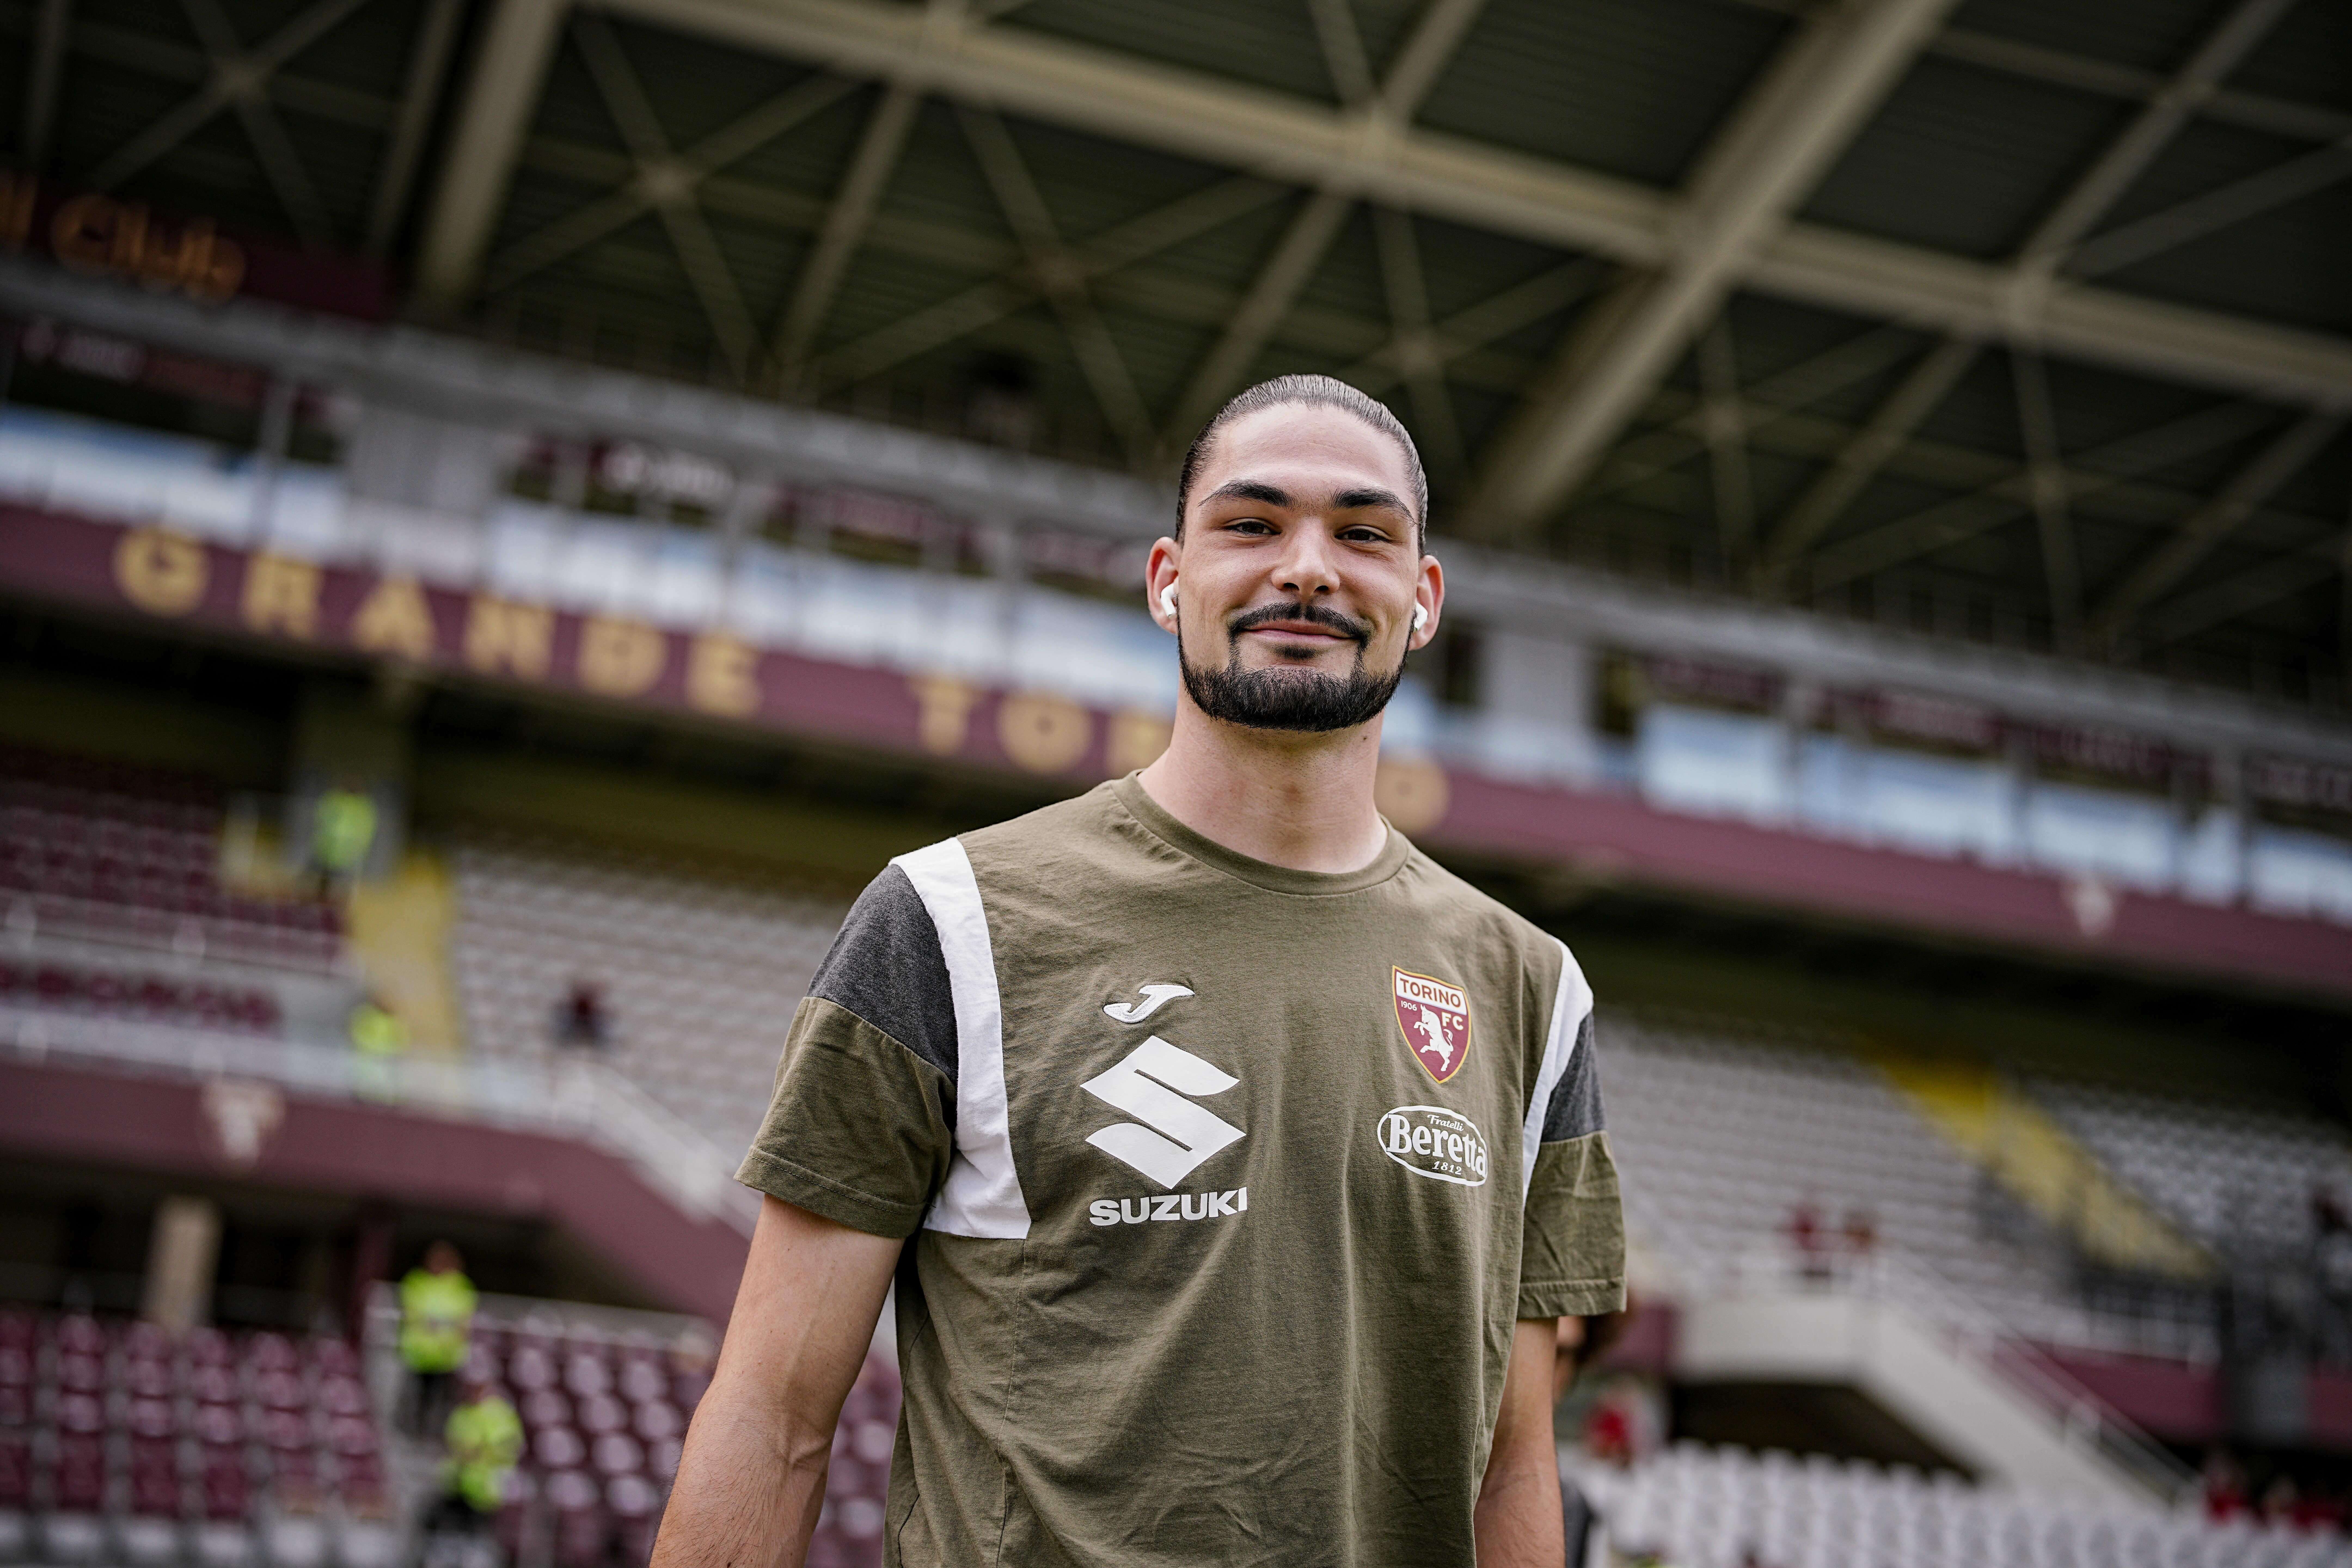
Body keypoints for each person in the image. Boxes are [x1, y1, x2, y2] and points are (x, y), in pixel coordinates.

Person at [654, 375, 1626, 1568]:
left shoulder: (1532, 990)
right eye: (1251, 524)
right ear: (1168, 578)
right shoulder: (946, 922)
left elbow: (1511, 1468)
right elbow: (775, 1419)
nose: (1306, 569)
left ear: (1421, 600)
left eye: (1362, 534)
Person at [421, 1375, 522, 1557]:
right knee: (447, 1521)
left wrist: (480, 1451)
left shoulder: (499, 1414)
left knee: (477, 1527)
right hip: (458, 1481)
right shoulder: (461, 1413)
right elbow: (455, 1443)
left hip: (483, 1486)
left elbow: (508, 1445)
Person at [400, 1242, 477, 1439]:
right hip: (420, 1354)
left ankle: (439, 1437)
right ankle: (414, 1434)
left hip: (447, 1355)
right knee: (417, 1399)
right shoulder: (417, 1281)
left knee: (444, 1402)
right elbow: (412, 1311)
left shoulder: (461, 1285)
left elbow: (464, 1317)